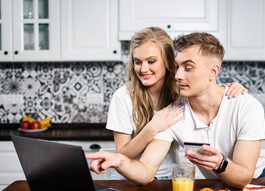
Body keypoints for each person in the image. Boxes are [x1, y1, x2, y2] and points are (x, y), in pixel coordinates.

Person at [105, 27, 247, 180]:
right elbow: (122, 155)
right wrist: (152, 128)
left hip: (165, 177)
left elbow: (206, 87)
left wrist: (230, 89)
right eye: (137, 62)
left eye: (151, 61)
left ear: (168, 62)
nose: (143, 69)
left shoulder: (181, 91)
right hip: (126, 178)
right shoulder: (123, 97)